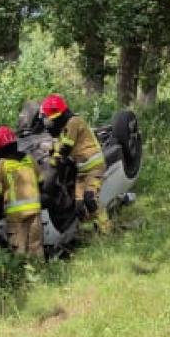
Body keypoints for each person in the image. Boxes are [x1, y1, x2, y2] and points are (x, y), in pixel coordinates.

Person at [40, 93, 109, 234]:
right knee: (79, 206)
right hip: (81, 170)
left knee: (90, 199)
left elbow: (65, 147)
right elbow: (59, 146)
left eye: (50, 118)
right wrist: (52, 150)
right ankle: (89, 232)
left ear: (57, 115)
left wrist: (53, 161)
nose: (49, 123)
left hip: (94, 167)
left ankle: (106, 229)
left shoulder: (74, 122)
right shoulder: (65, 127)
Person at [0, 126, 43, 258]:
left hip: (15, 214)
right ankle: (39, 269)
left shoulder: (0, 164)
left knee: (18, 248)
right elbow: (41, 181)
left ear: (0, 148)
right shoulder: (29, 158)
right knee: (36, 245)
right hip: (34, 209)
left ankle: (20, 270)